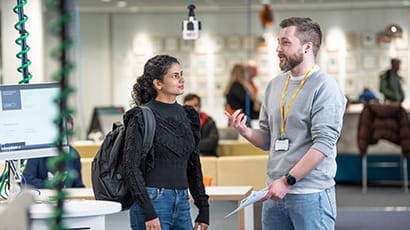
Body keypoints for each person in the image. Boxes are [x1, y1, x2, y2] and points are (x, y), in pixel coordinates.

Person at [225, 17, 346, 229]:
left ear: (307, 47)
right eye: (278, 42)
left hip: (310, 195)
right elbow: (267, 139)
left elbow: (323, 145)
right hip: (274, 194)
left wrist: (287, 181)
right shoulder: (275, 85)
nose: (278, 49)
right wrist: (245, 131)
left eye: (285, 43)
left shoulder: (326, 87)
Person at [123, 54, 209, 230]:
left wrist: (203, 207)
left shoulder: (189, 115)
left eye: (181, 74)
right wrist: (148, 212)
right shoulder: (141, 115)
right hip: (152, 201)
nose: (182, 79)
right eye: (175, 76)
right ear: (158, 83)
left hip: (183, 201)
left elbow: (193, 164)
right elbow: (130, 167)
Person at [23, 116, 84, 189]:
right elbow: (26, 181)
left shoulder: (73, 154)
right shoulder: (38, 152)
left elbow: (78, 185)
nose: (66, 137)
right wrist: (51, 185)